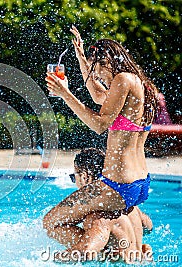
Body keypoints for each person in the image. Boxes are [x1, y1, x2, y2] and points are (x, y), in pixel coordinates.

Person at [43, 26, 158, 243]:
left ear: (106, 62)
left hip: (117, 185)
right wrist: (81, 57)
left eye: (98, 71)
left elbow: (99, 124)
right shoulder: (138, 83)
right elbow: (98, 96)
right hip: (138, 182)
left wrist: (65, 94)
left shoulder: (123, 79)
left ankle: (91, 251)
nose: (98, 77)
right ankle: (112, 250)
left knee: (51, 222)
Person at [53, 148, 153, 263]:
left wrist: (50, 259)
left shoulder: (99, 216)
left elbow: (86, 253)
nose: (74, 182)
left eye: (73, 177)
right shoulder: (132, 209)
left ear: (85, 177)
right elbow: (148, 227)